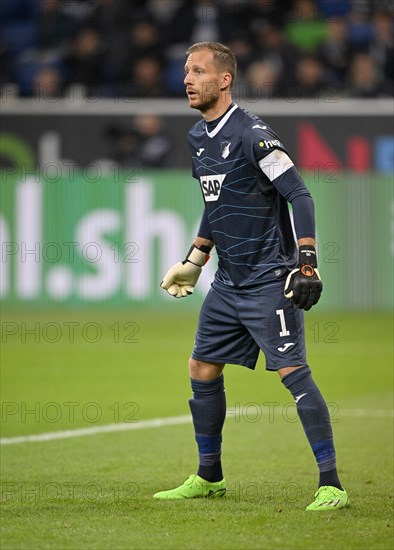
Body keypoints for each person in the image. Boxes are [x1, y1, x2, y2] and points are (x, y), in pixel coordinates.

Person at [154, 42, 349, 511]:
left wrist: (307, 263)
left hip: (268, 278)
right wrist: (196, 259)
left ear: (224, 80)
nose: (188, 79)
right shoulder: (198, 138)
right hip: (227, 281)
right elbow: (215, 201)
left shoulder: (254, 134)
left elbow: (299, 196)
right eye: (186, 71)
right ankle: (209, 477)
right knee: (201, 367)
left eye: (198, 71)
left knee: (292, 372)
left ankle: (332, 484)